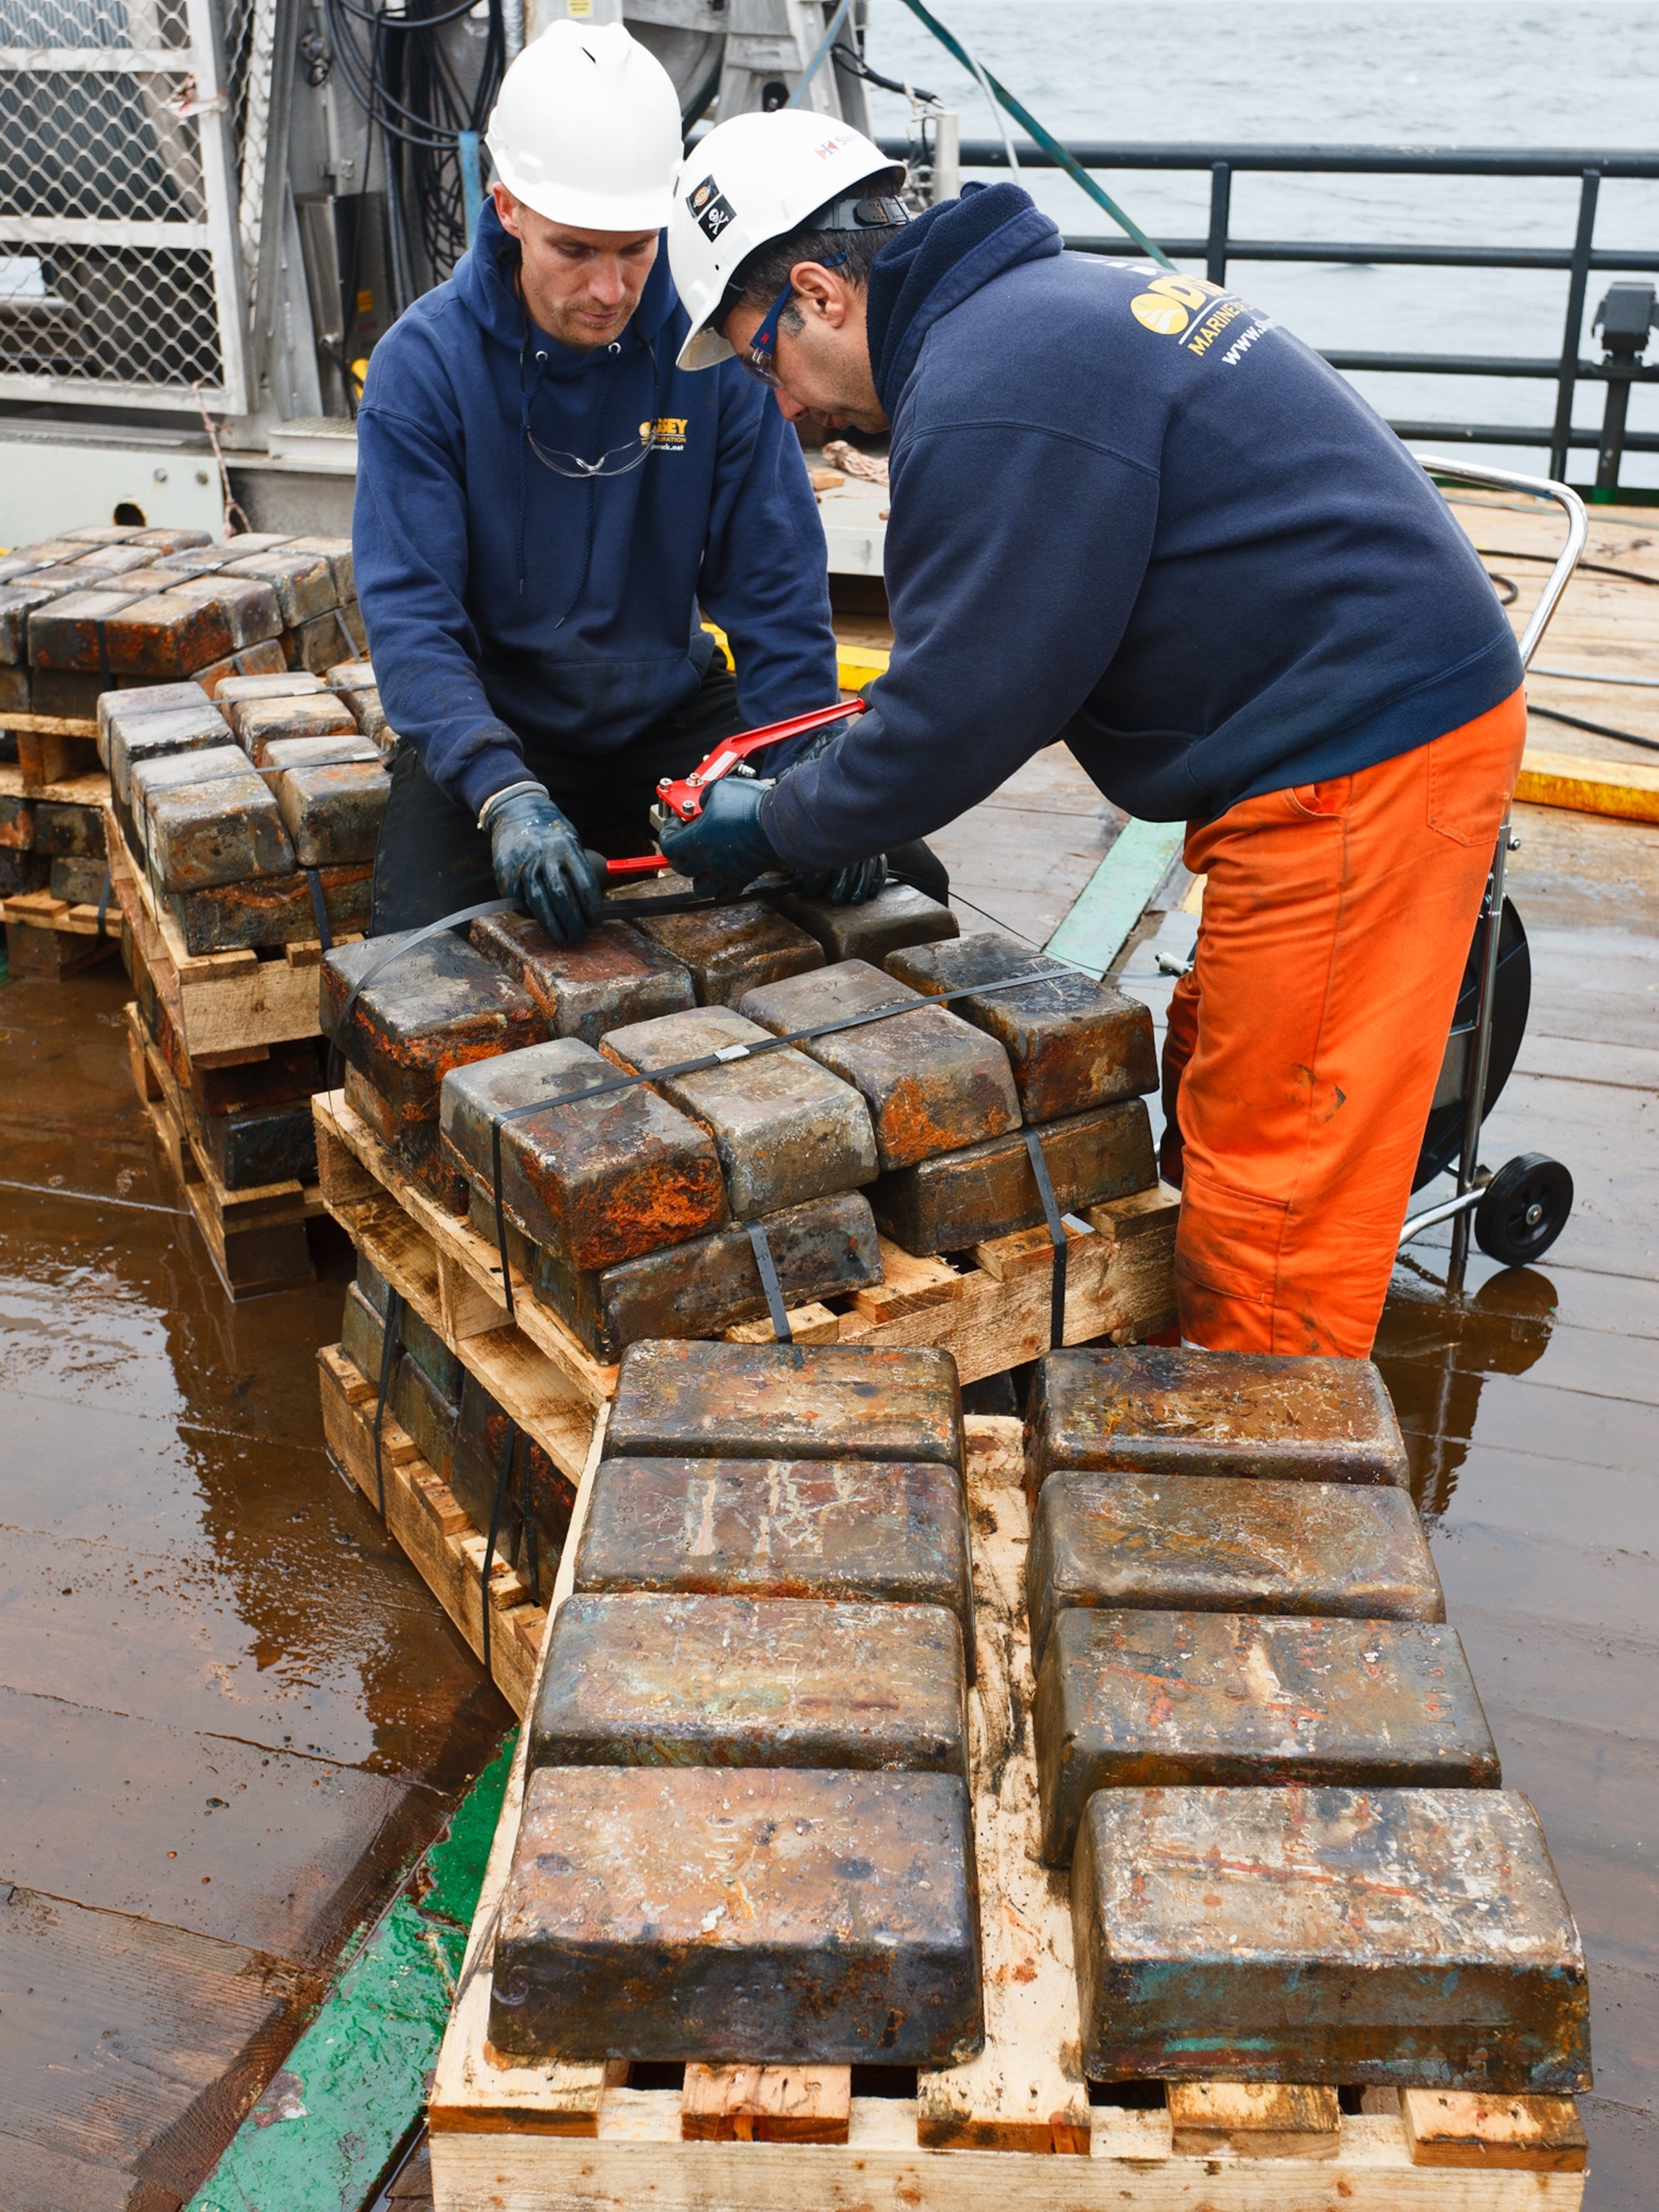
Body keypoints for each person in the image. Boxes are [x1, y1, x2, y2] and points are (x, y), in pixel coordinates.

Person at [657, 111, 1527, 1361]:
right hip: (1340, 728)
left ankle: (1260, 1499)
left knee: (1273, 1202)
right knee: (1226, 1075)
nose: (779, 403)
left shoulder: (987, 390)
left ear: (815, 292)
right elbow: (1006, 657)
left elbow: (964, 705)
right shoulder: (1037, 315)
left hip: (1360, 757)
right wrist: (849, 792)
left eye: (760, 359)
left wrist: (786, 822)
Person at [353, 22, 940, 945]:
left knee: (906, 880)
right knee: (408, 961)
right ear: (507, 208)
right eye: (575, 250)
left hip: (673, 711)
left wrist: (806, 776)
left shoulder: (715, 352)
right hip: (502, 729)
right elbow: (410, 620)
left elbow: (774, 593)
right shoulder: (421, 369)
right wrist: (503, 795)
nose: (610, 287)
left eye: (634, 248)